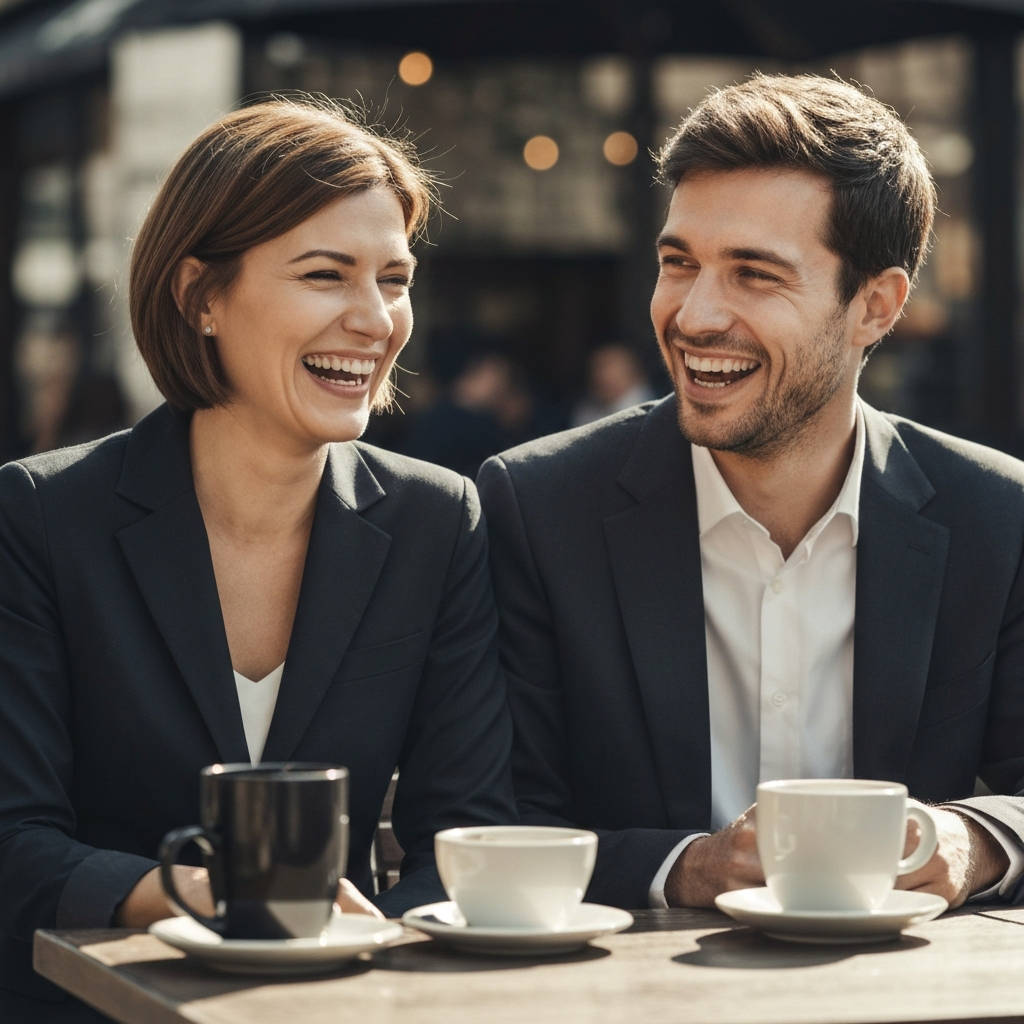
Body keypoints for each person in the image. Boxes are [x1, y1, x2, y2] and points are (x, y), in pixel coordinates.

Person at [0, 98, 516, 1022]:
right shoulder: (39, 516)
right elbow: (14, 841)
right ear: (201, 295)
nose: (376, 320)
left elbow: (465, 835)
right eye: (327, 275)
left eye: (394, 280)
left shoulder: (441, 519)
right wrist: (202, 894)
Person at [478, 74, 1024, 914]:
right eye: (678, 264)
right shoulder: (537, 508)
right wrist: (689, 868)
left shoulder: (1000, 516)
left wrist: (975, 841)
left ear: (875, 307)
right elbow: (500, 822)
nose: (694, 315)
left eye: (754, 275)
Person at [571, 343, 655, 427]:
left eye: (610, 366)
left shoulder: (656, 410)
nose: (602, 376)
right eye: (598, 367)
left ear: (635, 372)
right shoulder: (585, 412)